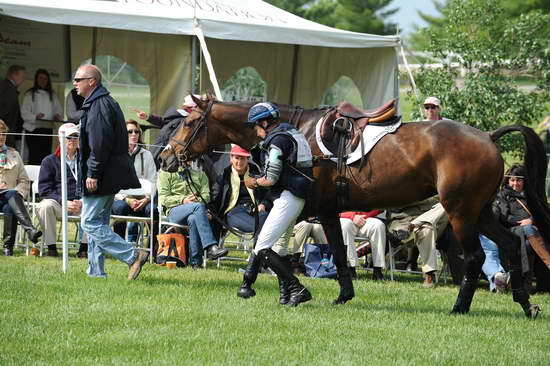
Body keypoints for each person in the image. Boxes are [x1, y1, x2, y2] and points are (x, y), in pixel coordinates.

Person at [74, 64, 148, 279]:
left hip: (102, 175)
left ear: (92, 81)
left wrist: (93, 173)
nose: (75, 83)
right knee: (99, 223)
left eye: (78, 79)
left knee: (88, 222)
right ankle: (96, 272)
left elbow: (100, 144)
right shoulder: (101, 102)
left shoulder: (99, 105)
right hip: (109, 174)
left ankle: (132, 255)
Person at [237, 102, 312, 307]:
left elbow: (270, 179)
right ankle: (286, 296)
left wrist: (252, 181)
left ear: (263, 122)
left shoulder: (277, 140)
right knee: (279, 250)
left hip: (289, 197)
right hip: (293, 196)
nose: (256, 132)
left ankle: (298, 288)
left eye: (255, 126)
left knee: (262, 247)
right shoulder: (292, 133)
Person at [157, 160, 228, 269]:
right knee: (198, 207)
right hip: (174, 211)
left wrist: (195, 202)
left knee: (194, 219)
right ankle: (211, 246)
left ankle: (196, 263)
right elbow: (164, 198)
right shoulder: (165, 173)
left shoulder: (200, 174)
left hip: (195, 212)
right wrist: (183, 200)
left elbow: (206, 197)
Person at [493, 164, 550, 293]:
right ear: (508, 181)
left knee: (528, 238)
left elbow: (543, 213)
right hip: (513, 231)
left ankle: (527, 283)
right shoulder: (503, 196)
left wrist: (531, 220)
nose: (515, 183)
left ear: (524, 181)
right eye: (512, 180)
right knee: (527, 231)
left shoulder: (533, 196)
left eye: (519, 180)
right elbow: (504, 218)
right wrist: (521, 223)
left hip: (534, 233)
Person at [37, 123, 87, 258]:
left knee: (96, 206)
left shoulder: (86, 160)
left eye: (76, 136)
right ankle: (51, 248)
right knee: (44, 206)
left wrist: (82, 201)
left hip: (82, 205)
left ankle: (84, 249)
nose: (73, 139)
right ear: (61, 139)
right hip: (60, 204)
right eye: (69, 137)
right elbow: (44, 190)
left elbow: (94, 185)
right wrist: (64, 201)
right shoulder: (49, 161)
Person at [209, 144, 272, 239]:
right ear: (231, 158)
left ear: (248, 159)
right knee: (262, 227)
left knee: (264, 216)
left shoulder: (256, 174)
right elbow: (215, 197)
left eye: (242, 158)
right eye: (237, 158)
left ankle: (258, 251)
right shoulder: (224, 176)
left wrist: (263, 204)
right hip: (234, 212)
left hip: (255, 209)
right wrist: (210, 211)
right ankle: (259, 252)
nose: (239, 162)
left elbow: (267, 194)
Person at [112, 120, 157, 245]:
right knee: (120, 207)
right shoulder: (116, 155)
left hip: (144, 199)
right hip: (122, 199)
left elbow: (153, 181)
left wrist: (147, 199)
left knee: (153, 210)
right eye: (129, 131)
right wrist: (126, 199)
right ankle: (119, 247)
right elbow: (112, 183)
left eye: (136, 131)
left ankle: (152, 249)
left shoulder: (147, 155)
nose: (133, 134)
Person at [0, 119, 42, 256]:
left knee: (10, 204)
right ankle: (30, 230)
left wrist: (18, 193)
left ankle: (8, 248)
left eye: (3, 134)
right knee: (12, 199)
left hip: (10, 199)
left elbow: (24, 180)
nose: (1, 137)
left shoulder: (14, 155)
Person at [387, 197, 448, 288]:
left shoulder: (432, 184)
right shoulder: (397, 186)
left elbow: (439, 198)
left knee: (447, 203)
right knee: (427, 230)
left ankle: (415, 223)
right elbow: (397, 203)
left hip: (428, 219)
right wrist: (424, 202)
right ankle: (429, 274)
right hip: (402, 222)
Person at [21, 68, 63, 164]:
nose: (43, 81)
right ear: (36, 79)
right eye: (40, 78)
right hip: (33, 129)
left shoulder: (52, 95)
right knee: (34, 155)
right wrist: (35, 116)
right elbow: (24, 112)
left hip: (47, 129)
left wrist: (56, 116)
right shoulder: (30, 94)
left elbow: (58, 110)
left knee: (45, 156)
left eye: (45, 78)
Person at [340, 210, 386, 281]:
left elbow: (379, 206)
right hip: (346, 217)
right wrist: (352, 216)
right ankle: (350, 268)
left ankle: (378, 270)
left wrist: (364, 216)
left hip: (366, 217)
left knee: (378, 226)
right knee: (346, 226)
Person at [0, 65, 26, 147]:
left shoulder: (5, 86)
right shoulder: (9, 89)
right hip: (5, 131)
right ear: (14, 75)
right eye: (22, 76)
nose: (23, 79)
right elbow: (6, 112)